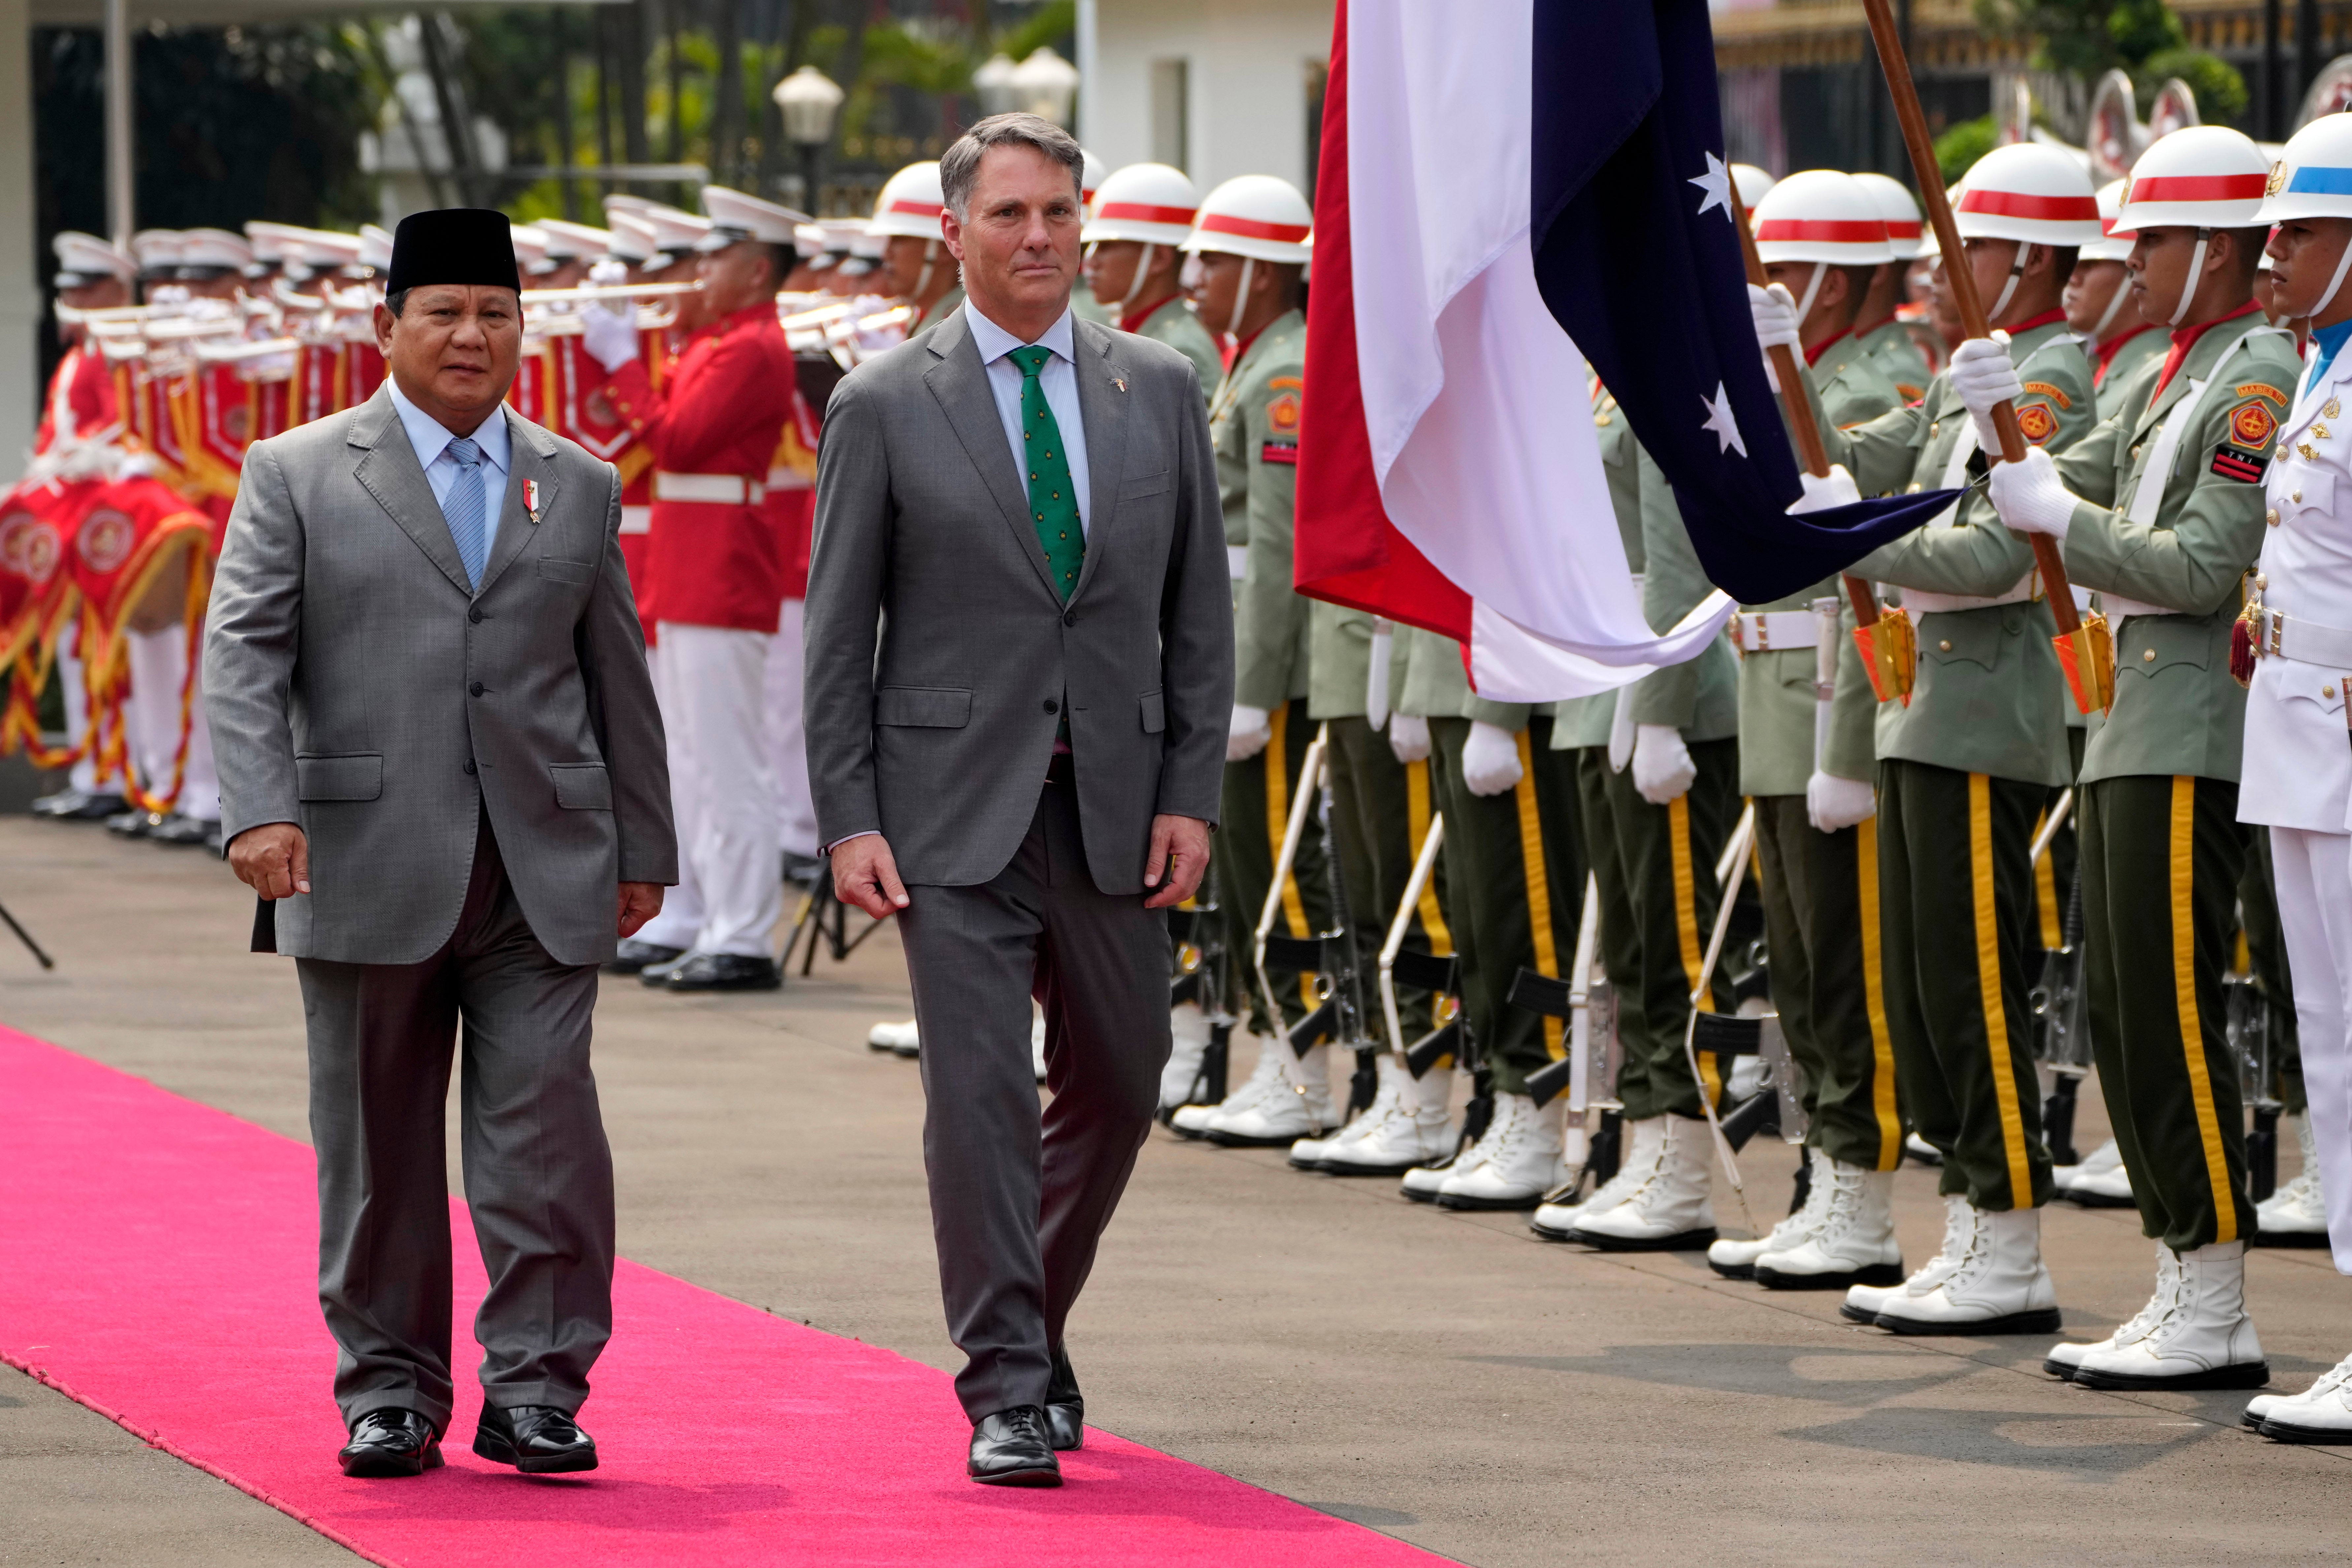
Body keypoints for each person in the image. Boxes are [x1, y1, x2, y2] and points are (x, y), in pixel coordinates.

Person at [203, 207, 674, 1479]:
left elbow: (616, 675)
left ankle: (536, 1388)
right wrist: (258, 807)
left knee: (546, 1138)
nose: (472, 335)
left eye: (495, 314)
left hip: (543, 866)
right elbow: (243, 653)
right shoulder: (298, 471)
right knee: (376, 1151)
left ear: (523, 327)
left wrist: (645, 844)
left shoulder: (577, 481)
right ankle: (389, 1392)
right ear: (388, 326)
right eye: (445, 313)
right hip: (360, 857)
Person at [804, 111, 1230, 1486]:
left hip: (1112, 804)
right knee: (981, 1094)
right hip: (948, 812)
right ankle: (1004, 1381)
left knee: (1124, 1074)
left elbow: (1197, 615)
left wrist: (1190, 791)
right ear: (955, 233)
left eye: (1055, 211)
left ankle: (1031, 1322)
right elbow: (837, 636)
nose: (1037, 237)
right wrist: (849, 817)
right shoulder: (883, 401)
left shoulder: (1157, 386)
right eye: (1008, 214)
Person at [1964, 125, 2296, 1389]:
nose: (2132, 259)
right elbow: (2061, 476)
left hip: (2185, 727)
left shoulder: (2252, 374)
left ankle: (2210, 1288)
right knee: (2120, 1007)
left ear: (2213, 250)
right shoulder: (2169, 371)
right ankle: (2177, 1270)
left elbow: (2202, 568)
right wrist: (1994, 425)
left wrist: (2063, 516)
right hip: (2125, 724)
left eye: (2152, 238)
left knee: (2168, 1009)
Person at [1791, 142, 2103, 1335]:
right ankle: (1972, 1218)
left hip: (1982, 713)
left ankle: (2009, 1237)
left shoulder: (2048, 377)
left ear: (2028, 256)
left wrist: (1853, 538)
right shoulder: (1978, 364)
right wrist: (1776, 382)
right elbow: (1874, 454)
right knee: (1924, 991)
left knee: (1972, 985)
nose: (1940, 265)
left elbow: (1993, 557)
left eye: (1968, 244)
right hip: (1923, 705)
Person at [1699, 170, 1908, 1287]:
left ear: (1834, 279)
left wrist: (1846, 747)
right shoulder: (1799, 369)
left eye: (1779, 270)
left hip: (1834, 699)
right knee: (1798, 964)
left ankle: (1863, 1189)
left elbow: (1849, 521)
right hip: (1773, 696)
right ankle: (1826, 1177)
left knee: (1847, 968)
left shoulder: (1882, 377)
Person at [581, 186, 800, 992]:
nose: (700, 271)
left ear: (756, 269)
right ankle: (693, 915)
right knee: (684, 758)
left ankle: (742, 932)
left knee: (726, 761)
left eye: (716, 257)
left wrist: (620, 361)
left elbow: (673, 439)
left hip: (720, 570)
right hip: (688, 567)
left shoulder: (751, 348)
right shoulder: (716, 341)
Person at [2233, 112, 2352, 1441]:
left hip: (2346, 738)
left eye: (2301, 233)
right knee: (2330, 1036)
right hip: (2298, 733)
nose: (2271, 255)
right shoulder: (2322, 367)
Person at [1080, 162, 1225, 394]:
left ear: (1159, 258)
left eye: (1106, 246)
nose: (1091, 260)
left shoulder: (1178, 348)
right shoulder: (1140, 332)